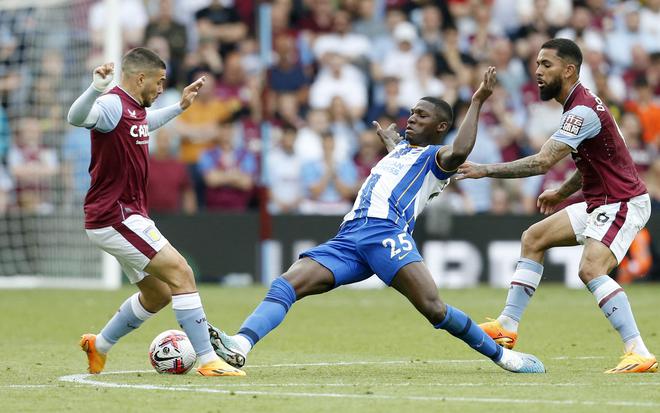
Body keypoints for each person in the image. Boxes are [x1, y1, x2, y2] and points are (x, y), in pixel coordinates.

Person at [208, 67, 546, 374]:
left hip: (385, 234)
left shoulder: (435, 158)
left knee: (434, 309)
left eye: (422, 115)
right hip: (348, 237)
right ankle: (241, 344)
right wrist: (393, 145)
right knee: (286, 284)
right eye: (412, 112)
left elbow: (458, 152)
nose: (411, 118)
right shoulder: (402, 151)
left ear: (440, 127)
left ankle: (505, 358)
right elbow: (399, 162)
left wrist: (477, 101)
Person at [457, 39, 657, 374]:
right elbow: (593, 164)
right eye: (537, 64)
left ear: (569, 70)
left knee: (591, 269)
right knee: (534, 238)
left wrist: (484, 170)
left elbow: (542, 162)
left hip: (623, 201)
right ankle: (507, 325)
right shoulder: (577, 106)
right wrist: (562, 192)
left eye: (546, 65)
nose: (537, 71)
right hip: (600, 200)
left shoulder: (581, 112)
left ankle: (638, 350)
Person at [67, 47, 243, 377]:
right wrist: (94, 88)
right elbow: (75, 118)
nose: (162, 88)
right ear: (141, 77)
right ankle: (208, 360)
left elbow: (145, 123)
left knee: (158, 293)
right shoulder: (111, 104)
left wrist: (179, 107)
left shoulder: (133, 109)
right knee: (182, 273)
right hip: (115, 215)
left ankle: (99, 346)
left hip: (126, 214)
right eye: (160, 82)